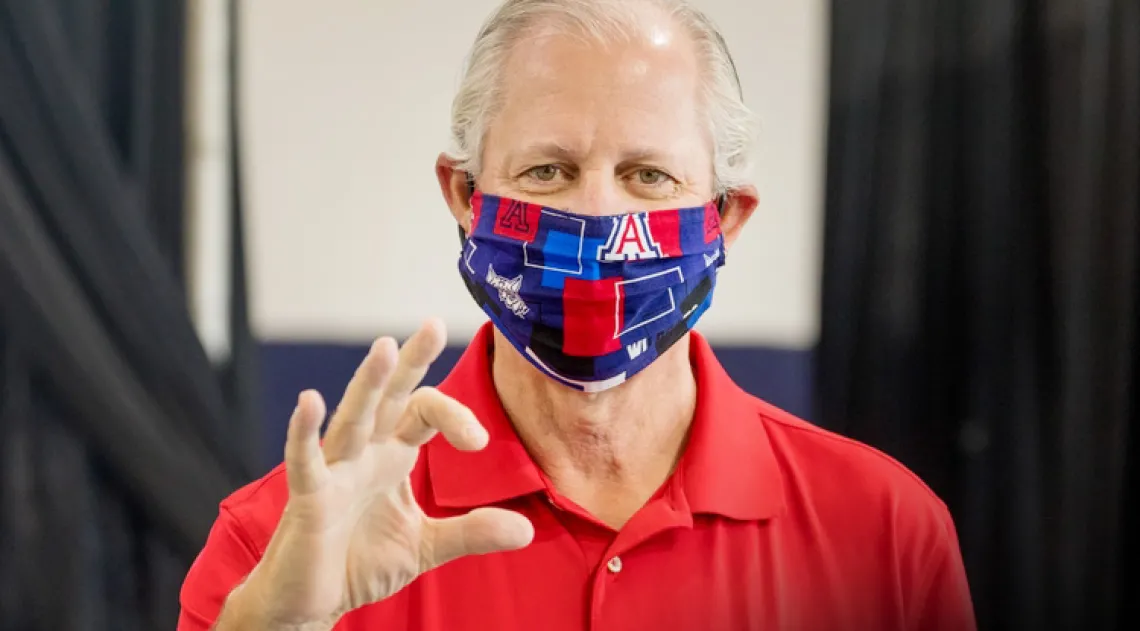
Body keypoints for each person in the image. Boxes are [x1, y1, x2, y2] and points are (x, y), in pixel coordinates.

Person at [178, 0, 976, 629]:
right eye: (548, 170)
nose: (596, 220)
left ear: (726, 216)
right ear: (465, 195)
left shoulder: (886, 535)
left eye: (649, 176)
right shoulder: (285, 544)